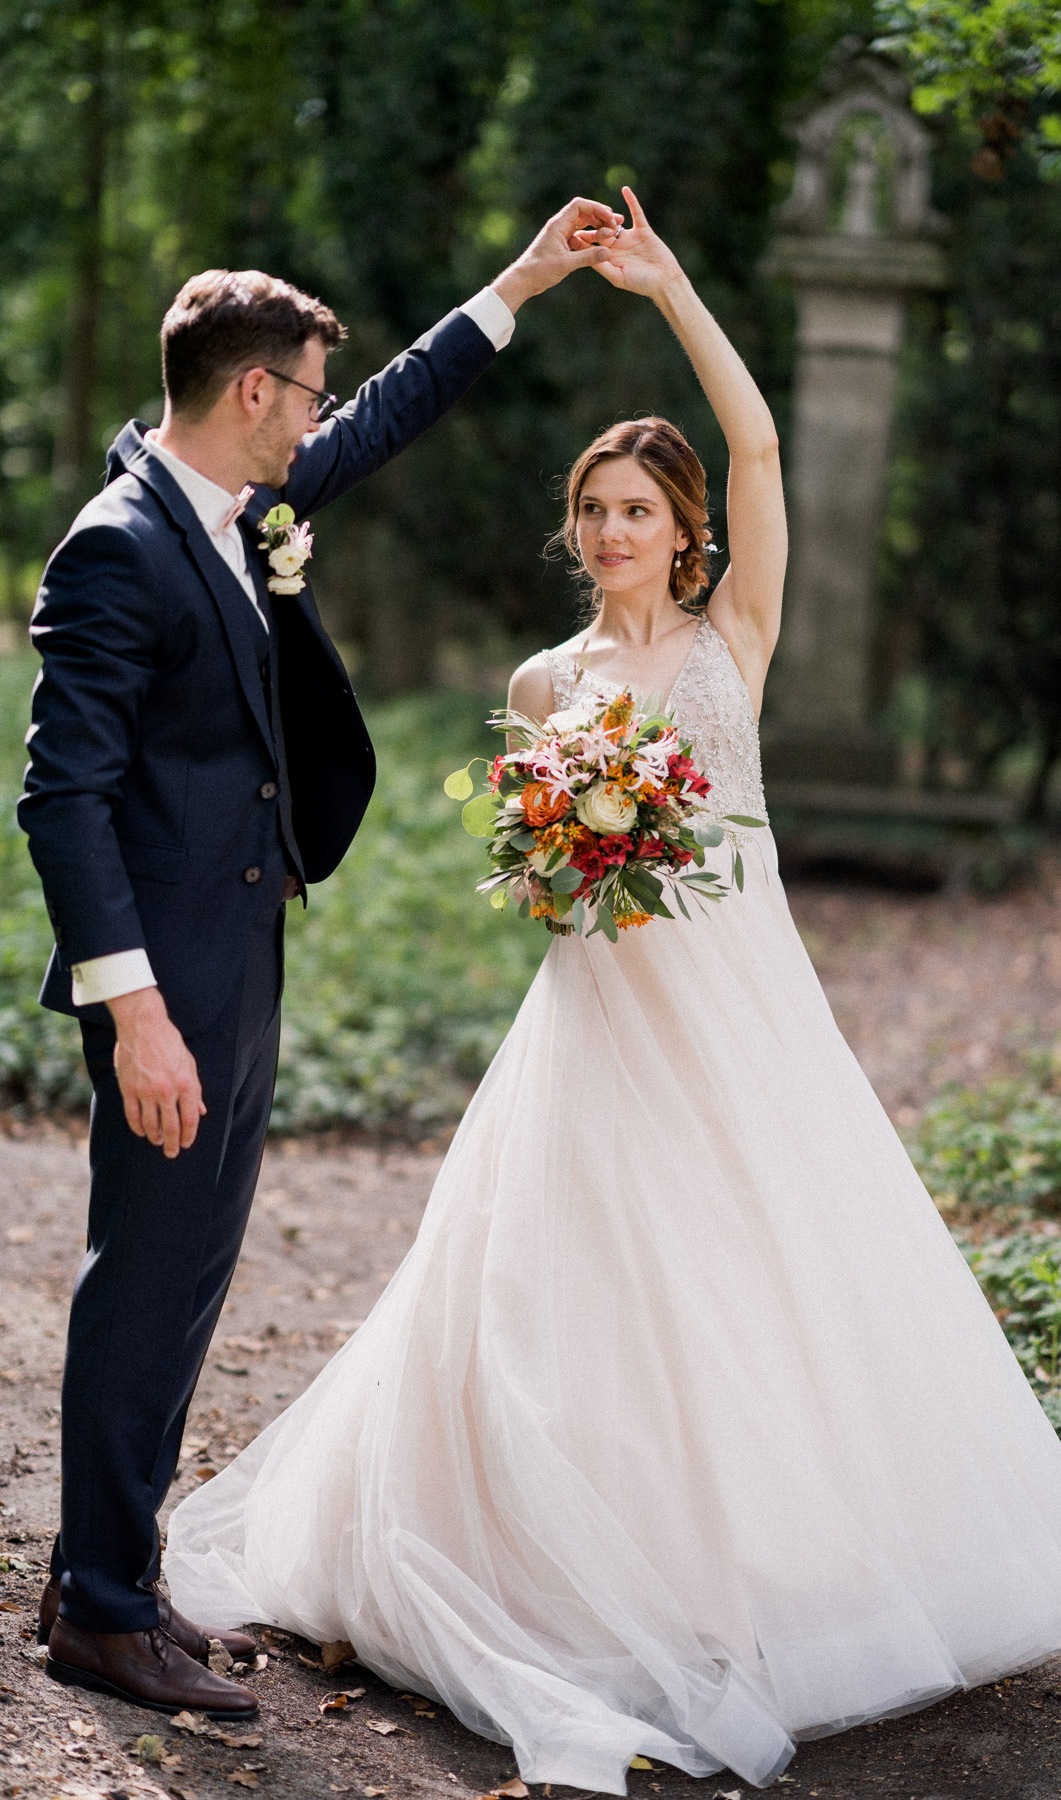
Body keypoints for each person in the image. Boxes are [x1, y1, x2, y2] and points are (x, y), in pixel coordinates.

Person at [165, 191, 1061, 1782]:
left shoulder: (727, 644)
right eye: (597, 509)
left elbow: (756, 439)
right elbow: (539, 877)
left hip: (742, 1013)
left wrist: (674, 286)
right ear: (577, 528)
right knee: (567, 1292)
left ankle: (755, 1571)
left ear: (687, 532)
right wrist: (565, 864)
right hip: (599, 1020)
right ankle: (548, 1567)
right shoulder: (545, 685)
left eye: (640, 510)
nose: (618, 531)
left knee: (760, 1281)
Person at [18, 194, 624, 1721]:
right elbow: (60, 795)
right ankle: (97, 1610)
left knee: (191, 1273)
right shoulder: (117, 551)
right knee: (144, 1278)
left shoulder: (231, 509)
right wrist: (135, 1011)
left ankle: (115, 1571)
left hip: (238, 944)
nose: (315, 424)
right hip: (167, 978)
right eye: (300, 395)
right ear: (246, 393)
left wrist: (521, 284)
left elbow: (389, 411)